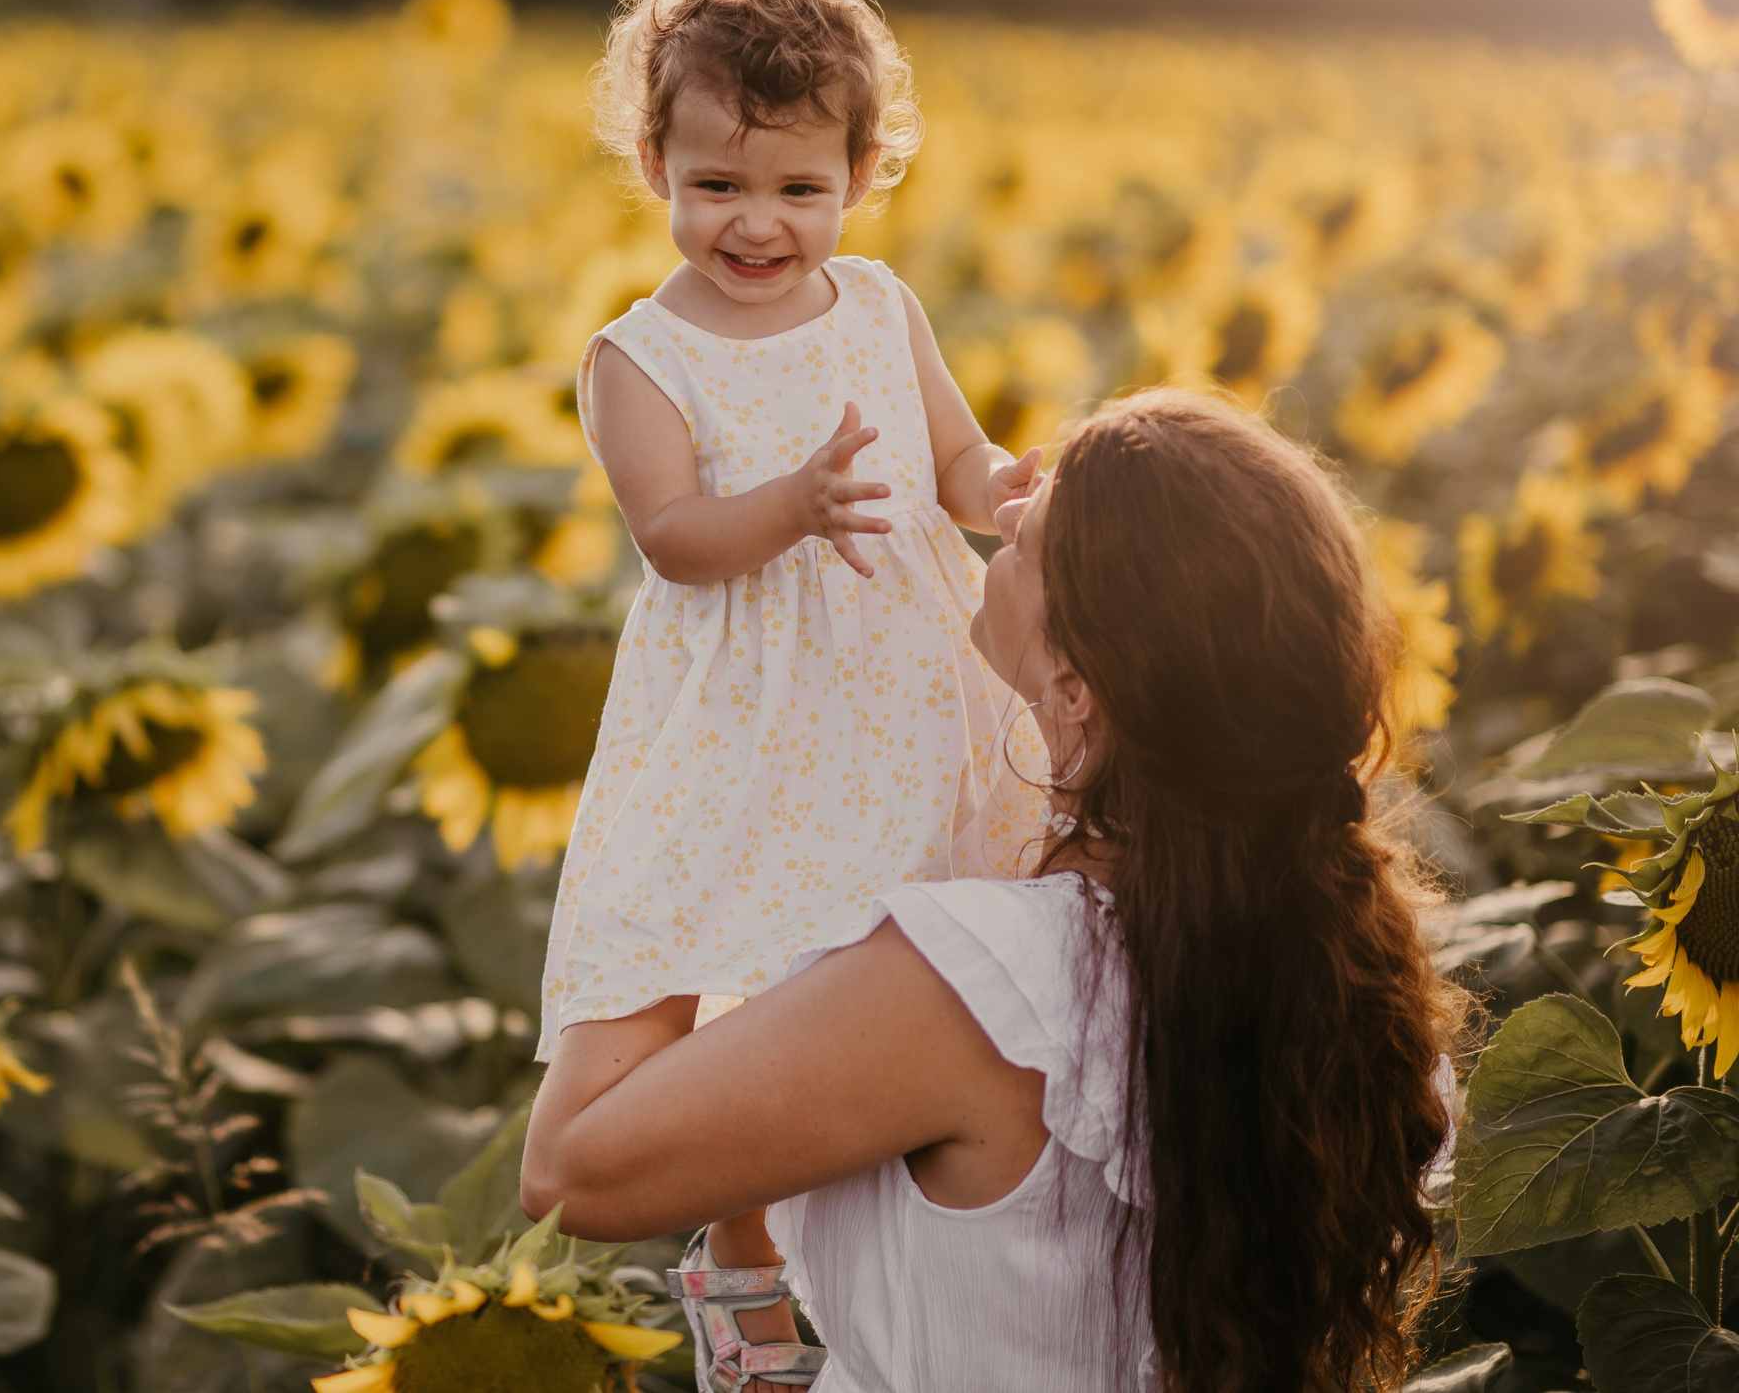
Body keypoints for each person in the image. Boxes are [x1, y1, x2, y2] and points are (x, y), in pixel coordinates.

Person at [523, 388, 1465, 1393]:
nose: (1005, 509)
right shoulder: (1367, 995)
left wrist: (678, 796)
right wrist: (743, 1243)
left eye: (1040, 531)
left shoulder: (980, 984)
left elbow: (569, 1169)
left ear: (1072, 688)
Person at [542, 0, 1048, 1390]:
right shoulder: (638, 356)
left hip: (906, 686)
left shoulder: (882, 305)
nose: (755, 224)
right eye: (717, 186)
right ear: (654, 163)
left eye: (796, 189)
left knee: (911, 949)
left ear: (864, 170)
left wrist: (1013, 489)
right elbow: (678, 536)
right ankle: (744, 1251)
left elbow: (954, 456)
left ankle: (905, 1240)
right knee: (753, 975)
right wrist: (797, 507)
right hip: (751, 714)